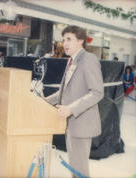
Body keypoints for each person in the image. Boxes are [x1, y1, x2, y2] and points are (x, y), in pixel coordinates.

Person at [45, 26, 104, 177]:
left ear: (81, 41)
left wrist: (70, 109)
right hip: (71, 124)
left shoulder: (88, 59)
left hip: (82, 125)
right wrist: (43, 100)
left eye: (69, 39)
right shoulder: (71, 60)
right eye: (64, 40)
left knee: (79, 169)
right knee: (75, 167)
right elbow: (64, 92)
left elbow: (97, 92)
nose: (65, 43)